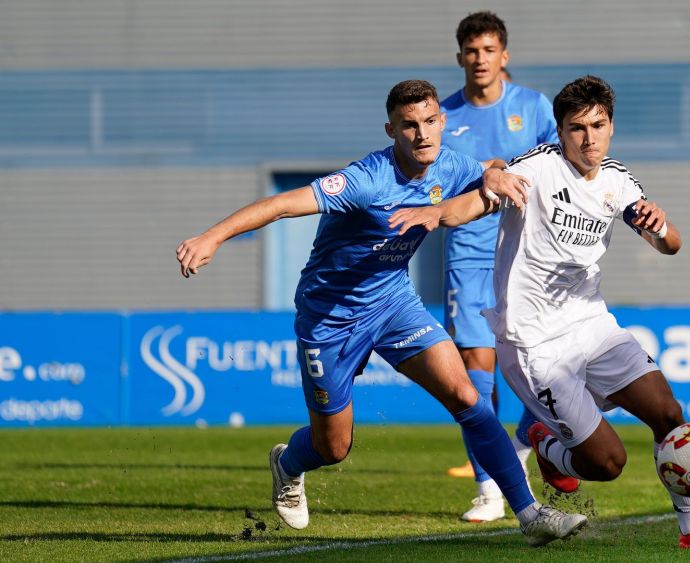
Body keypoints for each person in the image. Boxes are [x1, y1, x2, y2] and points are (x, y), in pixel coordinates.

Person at [175, 79, 587, 547]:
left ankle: (529, 514)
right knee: (334, 446)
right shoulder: (364, 179)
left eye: (430, 121)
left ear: (442, 122)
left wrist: (493, 175)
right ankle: (288, 463)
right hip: (329, 316)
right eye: (409, 125)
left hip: (394, 304)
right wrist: (211, 237)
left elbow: (488, 169)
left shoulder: (450, 165)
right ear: (391, 130)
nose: (422, 134)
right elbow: (279, 205)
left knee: (467, 397)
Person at [390, 75, 690, 550]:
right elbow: (477, 202)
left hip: (591, 324)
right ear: (559, 131)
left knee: (668, 412)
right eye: (577, 128)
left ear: (611, 127)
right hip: (533, 341)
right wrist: (436, 214)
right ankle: (549, 449)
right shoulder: (536, 168)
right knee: (607, 464)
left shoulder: (618, 180)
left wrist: (661, 229)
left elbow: (671, 245)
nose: (589, 138)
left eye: (598, 126)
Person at [438, 11, 560, 523]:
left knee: (545, 369)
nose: (480, 59)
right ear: (460, 56)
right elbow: (432, 184)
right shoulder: (442, 117)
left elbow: (561, 166)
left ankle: (522, 444)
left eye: (489, 50)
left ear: (503, 56)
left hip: (526, 255)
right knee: (474, 378)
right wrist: (481, 174)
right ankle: (489, 490)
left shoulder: (533, 107)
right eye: (471, 50)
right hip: (467, 255)